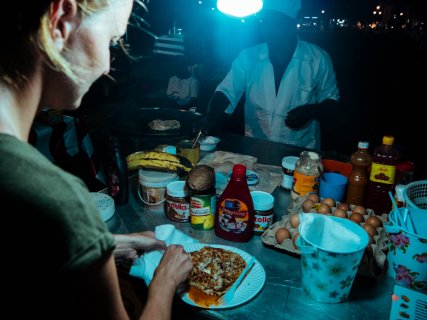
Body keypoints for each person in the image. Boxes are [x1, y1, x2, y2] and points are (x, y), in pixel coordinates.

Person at [0, 1, 193, 319]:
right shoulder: (55, 198)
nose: (107, 67)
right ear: (61, 20)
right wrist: (165, 283)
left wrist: (100, 243)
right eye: (111, 40)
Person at [197, 0, 340, 151]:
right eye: (264, 21)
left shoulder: (318, 58)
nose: (268, 29)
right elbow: (227, 91)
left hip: (299, 151)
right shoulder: (248, 56)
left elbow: (331, 100)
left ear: (293, 24)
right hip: (255, 147)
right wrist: (212, 116)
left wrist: (311, 111)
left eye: (277, 23)